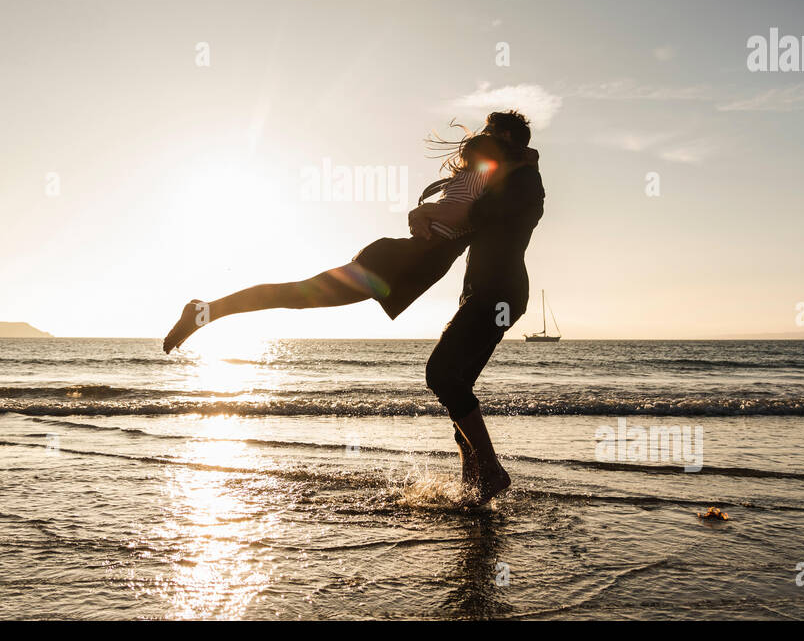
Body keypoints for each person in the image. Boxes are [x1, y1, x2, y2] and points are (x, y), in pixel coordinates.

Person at [161, 131, 511, 353]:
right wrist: (429, 214)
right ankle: (204, 311)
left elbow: (447, 212)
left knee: (295, 296)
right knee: (295, 295)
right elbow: (463, 215)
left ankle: (205, 311)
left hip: (402, 260)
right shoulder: (481, 177)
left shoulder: (470, 177)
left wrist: (425, 214)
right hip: (400, 261)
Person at [411, 110, 544, 506]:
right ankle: (474, 488)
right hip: (483, 291)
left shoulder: (523, 181)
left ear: (504, 136)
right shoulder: (505, 175)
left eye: (489, 134)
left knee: (440, 373)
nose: (483, 139)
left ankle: (491, 471)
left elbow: (479, 214)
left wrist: (431, 210)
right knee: (457, 386)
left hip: (499, 293)